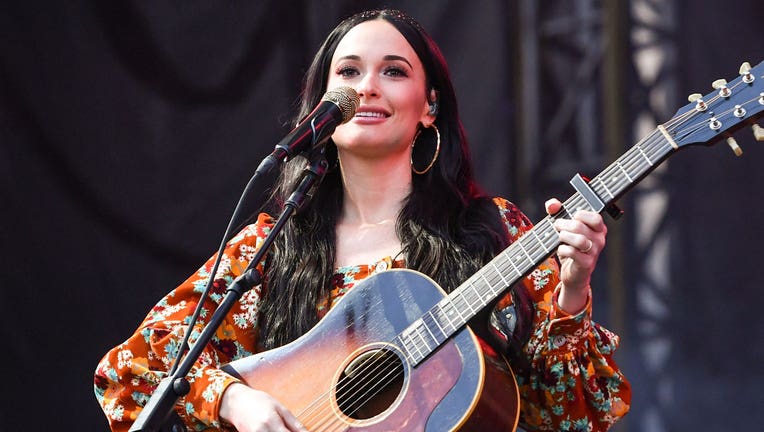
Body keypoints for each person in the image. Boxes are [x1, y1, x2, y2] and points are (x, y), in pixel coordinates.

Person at [94, 9, 630, 432]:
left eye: (393, 72)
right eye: (348, 73)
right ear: (322, 105)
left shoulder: (490, 230)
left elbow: (570, 418)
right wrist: (235, 400)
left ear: (429, 107)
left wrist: (573, 293)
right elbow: (133, 370)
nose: (367, 87)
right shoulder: (274, 246)